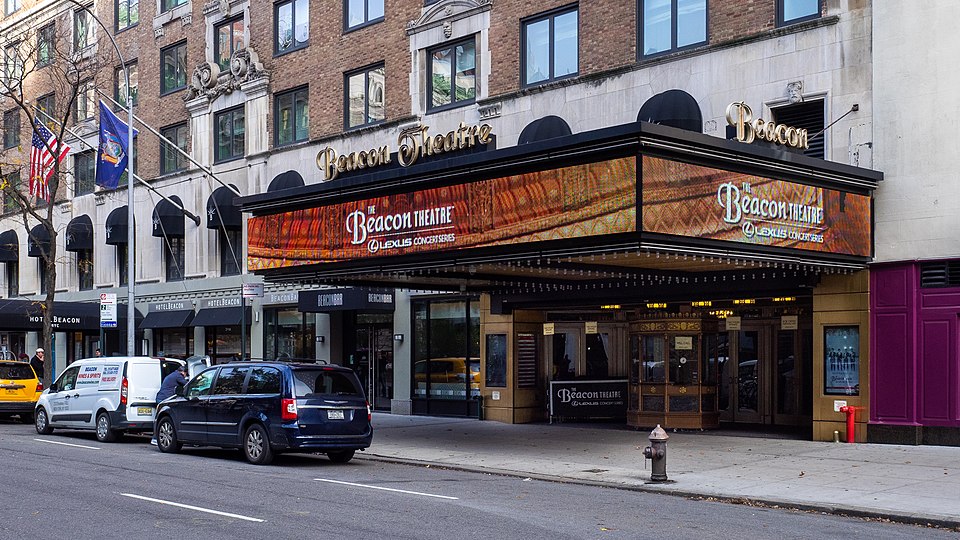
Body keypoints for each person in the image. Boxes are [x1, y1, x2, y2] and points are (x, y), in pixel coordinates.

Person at [152, 365, 188, 446]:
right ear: (183, 372)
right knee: (162, 420)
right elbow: (187, 384)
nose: (185, 376)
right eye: (186, 374)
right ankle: (155, 438)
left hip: (161, 397)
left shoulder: (172, 375)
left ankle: (155, 438)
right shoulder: (178, 376)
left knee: (160, 419)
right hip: (164, 399)